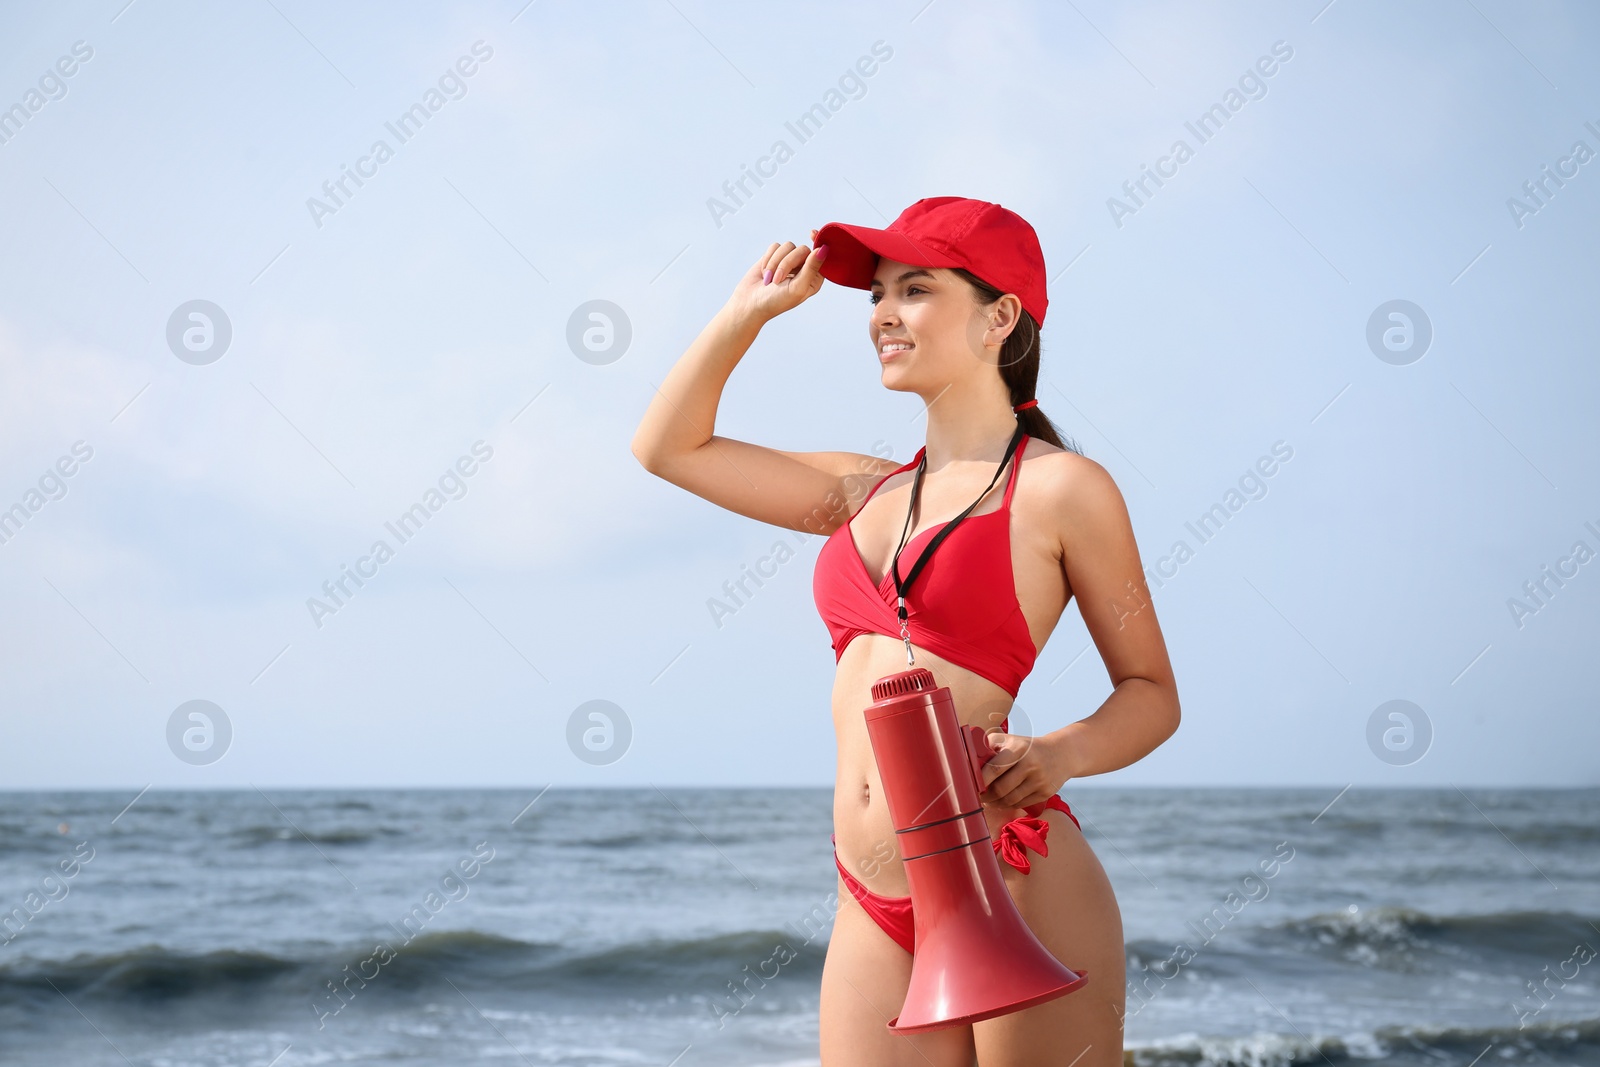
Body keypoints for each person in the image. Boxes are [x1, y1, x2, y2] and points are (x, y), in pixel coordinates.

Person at [631, 196, 1181, 1067]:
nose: (884, 312)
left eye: (915, 289)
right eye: (878, 293)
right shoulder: (867, 490)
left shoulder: (1062, 489)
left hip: (1008, 869)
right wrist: (746, 317)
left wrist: (1062, 753)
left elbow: (1152, 694)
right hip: (871, 897)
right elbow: (669, 448)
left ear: (1000, 315)